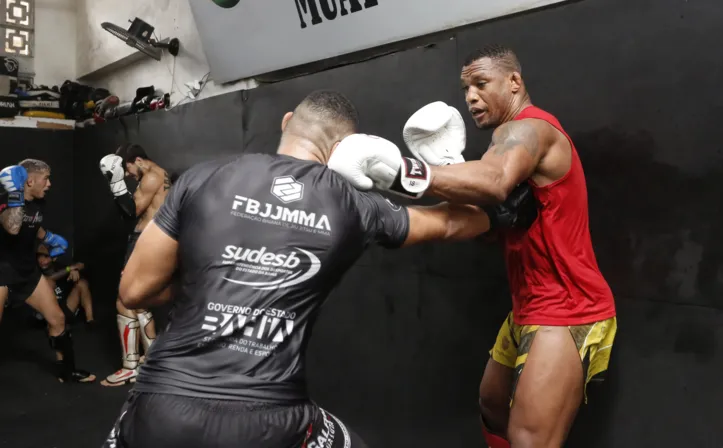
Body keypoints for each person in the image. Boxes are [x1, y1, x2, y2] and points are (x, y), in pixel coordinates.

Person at [102, 89, 537, 448]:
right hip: (269, 420)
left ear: (287, 120)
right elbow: (444, 224)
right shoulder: (351, 204)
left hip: (161, 407)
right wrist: (504, 214)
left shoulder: (202, 178)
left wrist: (212, 280)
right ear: (345, 147)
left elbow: (135, 290)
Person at [330, 45, 618, 448]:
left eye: (481, 83)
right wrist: (448, 167)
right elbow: (487, 226)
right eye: (466, 88)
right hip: (530, 304)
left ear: (514, 82)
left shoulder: (530, 130)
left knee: (529, 439)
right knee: (493, 406)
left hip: (569, 307)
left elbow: (496, 180)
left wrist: (398, 172)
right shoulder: (505, 148)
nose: (470, 97)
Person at [0, 160, 96, 383]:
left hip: (26, 273)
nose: (49, 184)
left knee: (57, 319)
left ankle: (67, 371)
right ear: (29, 181)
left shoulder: (38, 204)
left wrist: (49, 238)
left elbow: (33, 225)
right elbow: (13, 227)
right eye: (45, 178)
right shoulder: (5, 200)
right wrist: (15, 192)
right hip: (1, 273)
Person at [98, 144, 172, 387]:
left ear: (138, 160)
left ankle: (133, 366)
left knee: (127, 300)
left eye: (126, 168)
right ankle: (149, 363)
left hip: (144, 241)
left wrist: (116, 184)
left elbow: (131, 212)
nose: (127, 174)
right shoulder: (161, 174)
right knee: (136, 300)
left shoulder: (151, 177)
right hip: (152, 240)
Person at [35, 243, 94, 325]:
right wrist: (69, 269)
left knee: (82, 283)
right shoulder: (35, 270)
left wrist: (75, 269)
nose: (41, 260)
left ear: (54, 258)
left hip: (65, 307)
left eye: (46, 256)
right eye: (39, 256)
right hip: (47, 312)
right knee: (49, 283)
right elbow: (48, 279)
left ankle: (90, 321)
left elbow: (81, 265)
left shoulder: (60, 267)